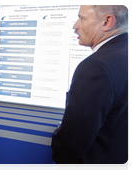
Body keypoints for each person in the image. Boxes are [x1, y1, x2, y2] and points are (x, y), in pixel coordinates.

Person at [51, 5, 130, 170]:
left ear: (107, 22)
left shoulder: (96, 66)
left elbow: (73, 140)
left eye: (82, 18)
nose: (75, 25)